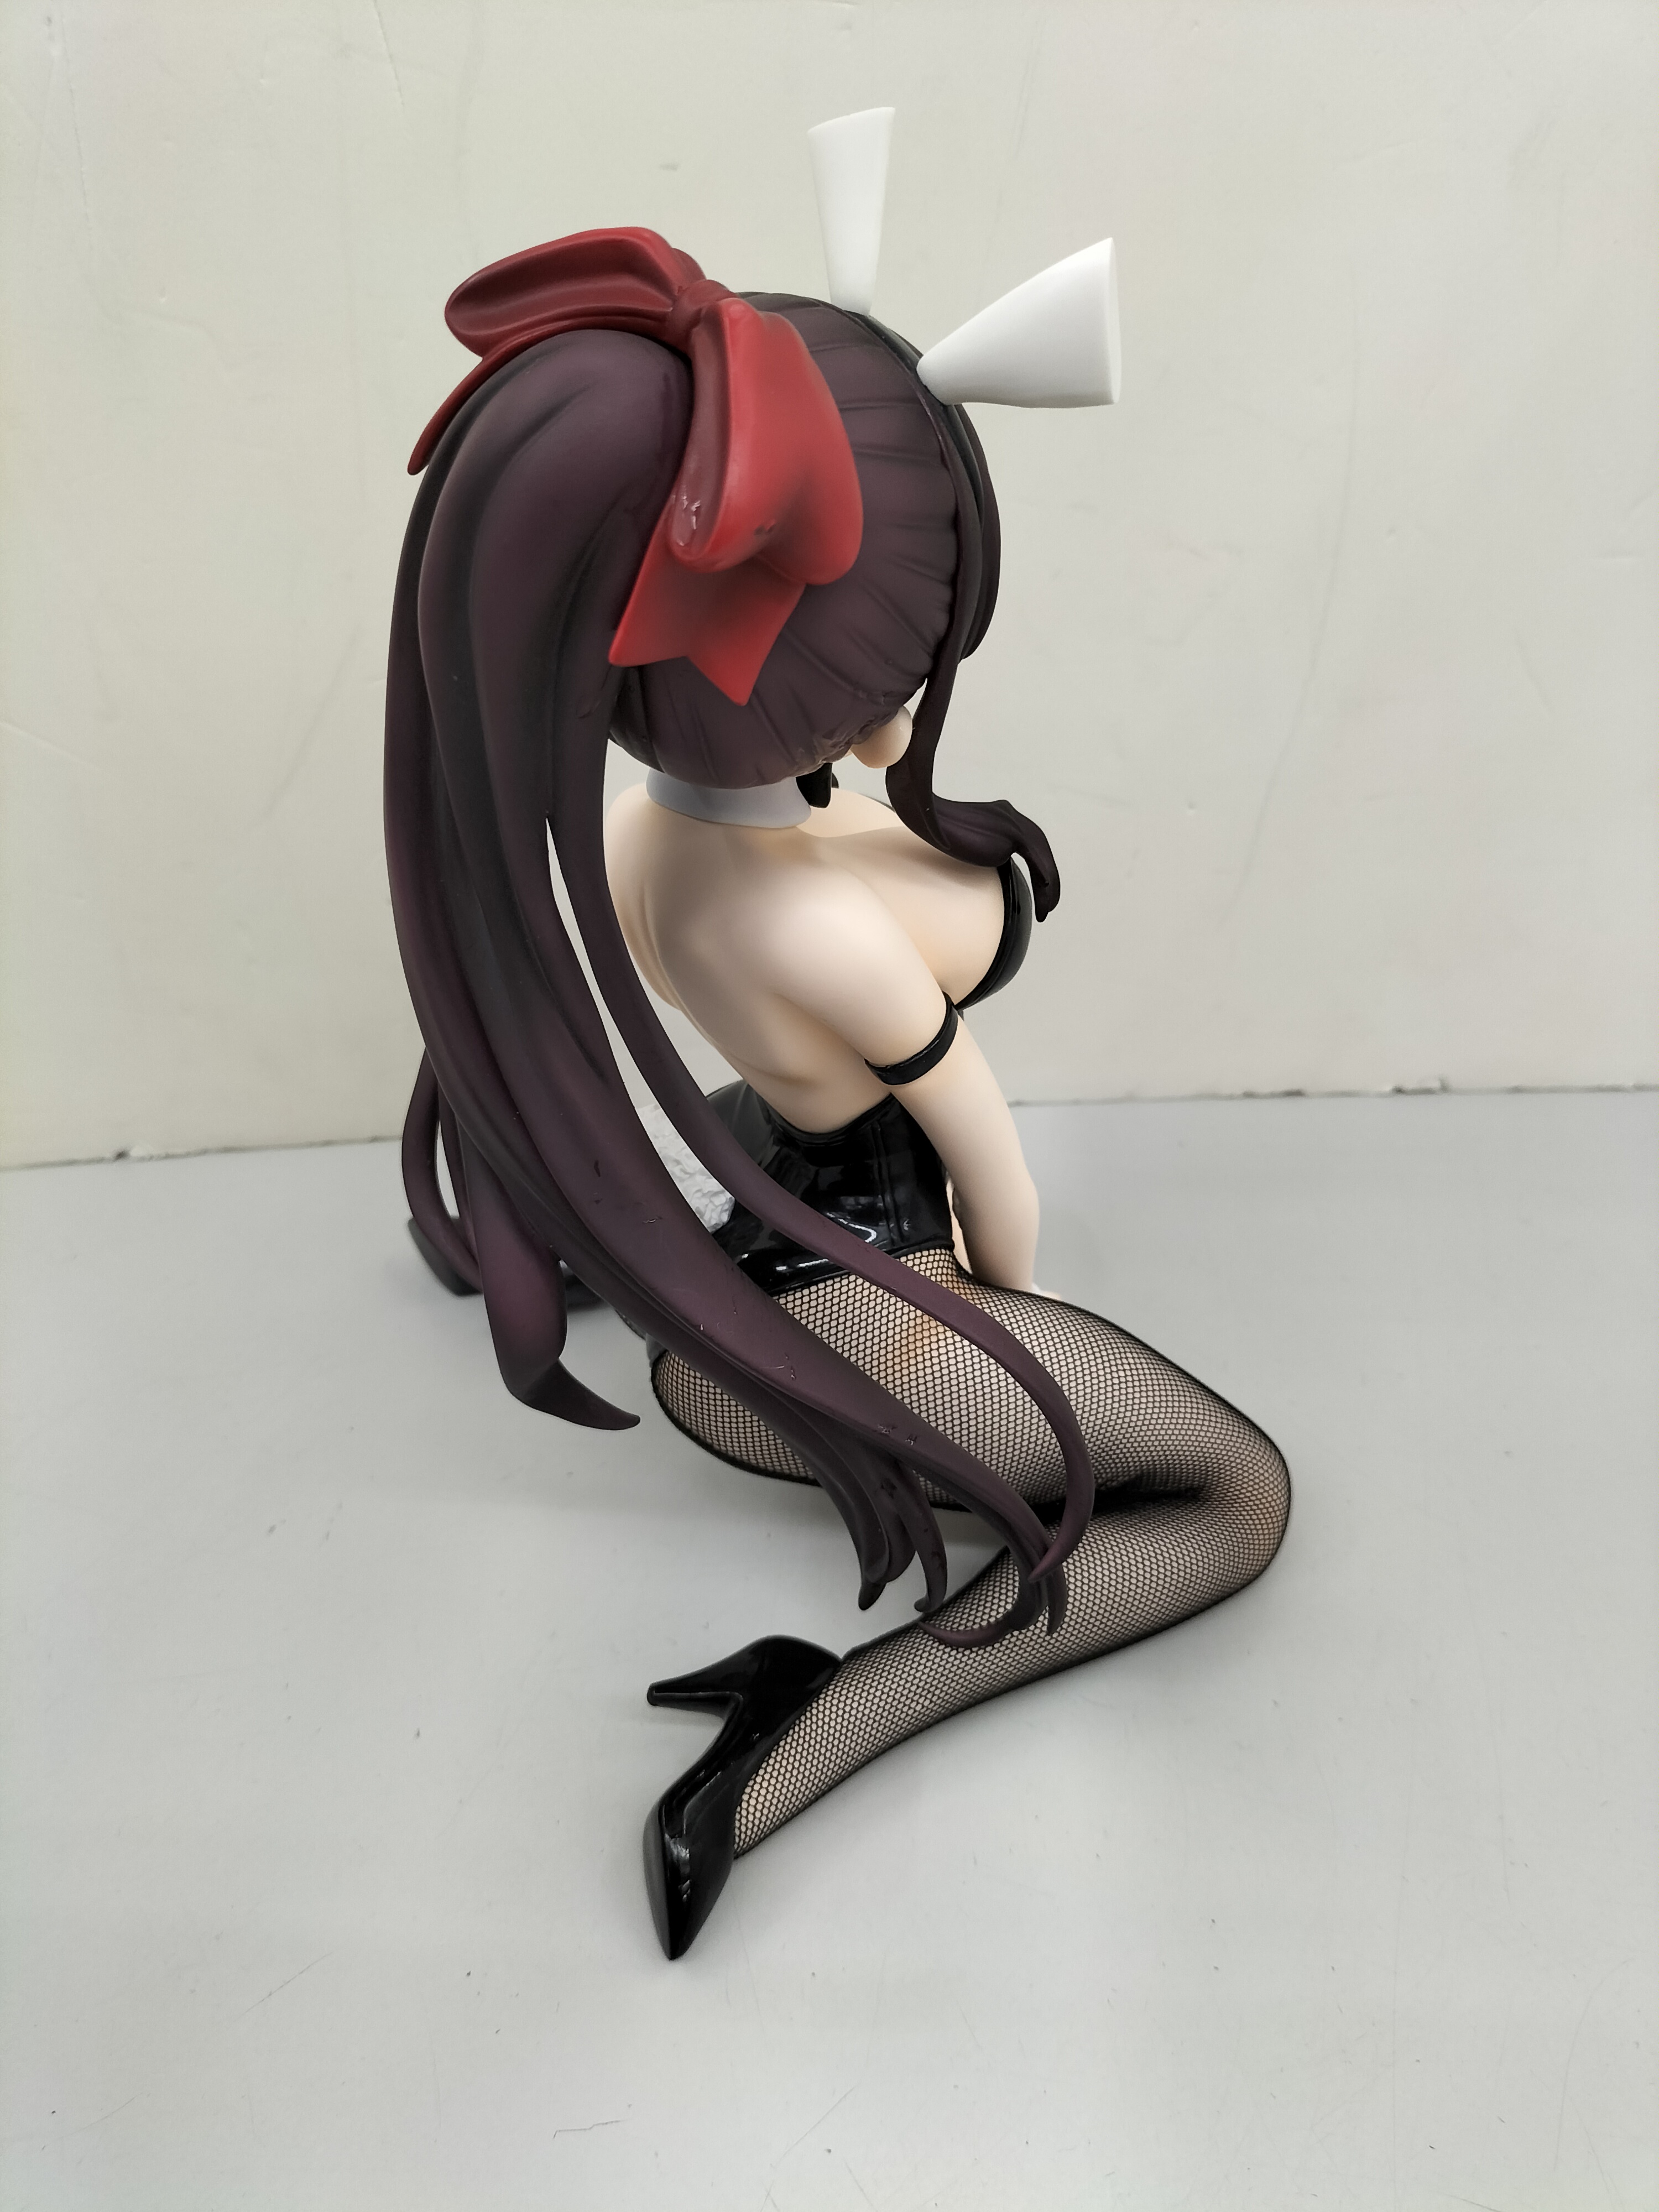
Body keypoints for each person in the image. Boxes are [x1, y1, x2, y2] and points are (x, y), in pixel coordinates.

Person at [385, 226, 1290, 1958]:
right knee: (1232, 1499)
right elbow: (999, 1196)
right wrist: (1019, 1346)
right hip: (849, 1320)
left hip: (754, 1258)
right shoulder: (827, 930)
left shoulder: (638, 837)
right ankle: (807, 1727)